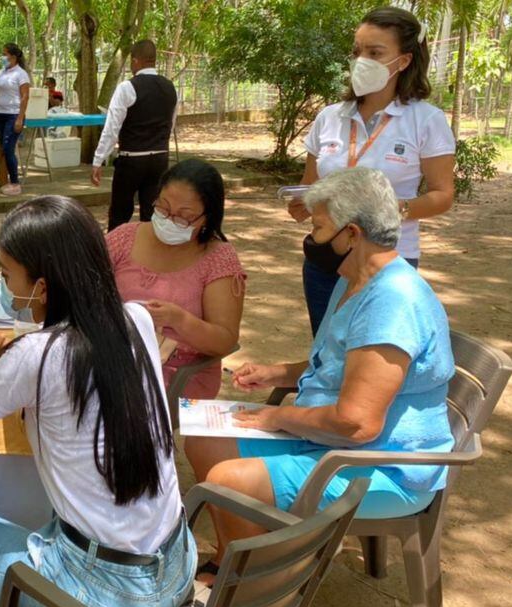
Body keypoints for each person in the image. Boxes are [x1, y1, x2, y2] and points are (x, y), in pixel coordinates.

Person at [187, 168, 455, 585]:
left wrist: (277, 418)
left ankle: (258, 592)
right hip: (333, 443)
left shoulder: (391, 302)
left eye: (318, 227)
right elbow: (342, 366)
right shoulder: (354, 278)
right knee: (206, 440)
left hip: (382, 467)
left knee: (227, 480)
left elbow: (357, 422)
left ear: (351, 233)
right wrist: (279, 373)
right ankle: (233, 563)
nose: (311, 238)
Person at [0, 196, 196, 607]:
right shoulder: (135, 319)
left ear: (41, 287)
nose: (3, 284)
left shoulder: (40, 354)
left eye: (6, 274)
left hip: (100, 599)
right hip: (173, 569)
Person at [291, 7, 455, 336]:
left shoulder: (425, 120)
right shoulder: (329, 117)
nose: (361, 61)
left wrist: (392, 210)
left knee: (373, 358)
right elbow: (309, 187)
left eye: (375, 53)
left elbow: (442, 195)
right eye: (357, 51)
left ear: (404, 61)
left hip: (387, 260)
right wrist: (302, 203)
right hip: (325, 258)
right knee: (325, 356)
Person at [106, 159, 245, 400]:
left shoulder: (218, 259)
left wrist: (177, 319)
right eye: (163, 208)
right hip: (116, 357)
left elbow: (224, 341)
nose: (169, 220)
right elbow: (83, 289)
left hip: (179, 374)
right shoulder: (124, 237)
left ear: (206, 218)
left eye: (183, 217)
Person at [91, 40, 178, 231]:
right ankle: (150, 256)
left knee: (120, 213)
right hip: (159, 159)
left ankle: (115, 254)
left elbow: (112, 127)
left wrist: (98, 160)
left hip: (132, 159)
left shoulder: (127, 88)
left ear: (136, 61)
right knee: (152, 213)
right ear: (153, 60)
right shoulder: (171, 88)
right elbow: (170, 124)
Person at [0, 43, 31, 196]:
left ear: (14, 57)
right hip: (0, 114)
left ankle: (15, 182)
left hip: (13, 114)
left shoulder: (21, 74)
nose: (3, 57)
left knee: (9, 148)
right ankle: (8, 180)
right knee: (3, 147)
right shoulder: (2, 72)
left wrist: (20, 118)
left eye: (5, 54)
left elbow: (25, 96)